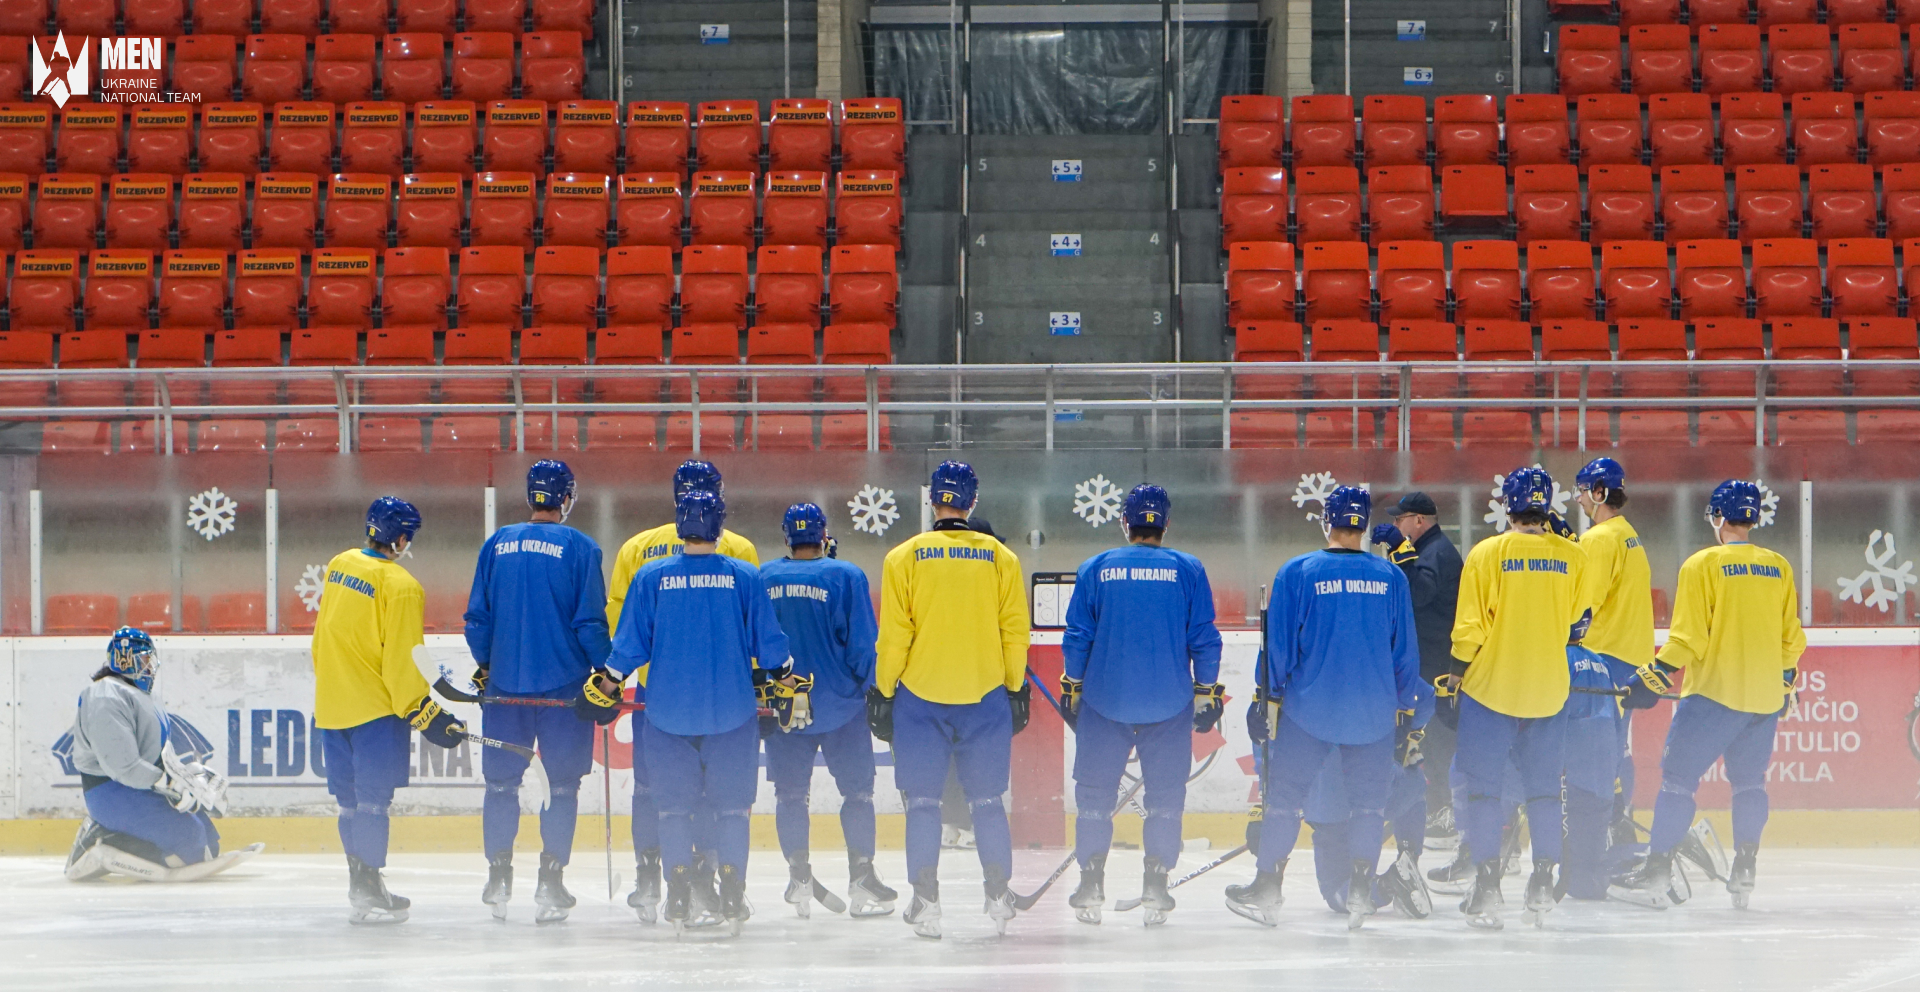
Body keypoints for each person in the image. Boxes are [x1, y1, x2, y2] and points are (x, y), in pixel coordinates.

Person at [578, 489, 805, 936]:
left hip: (667, 715)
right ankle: (732, 888)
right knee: (731, 811)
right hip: (731, 714)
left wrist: (601, 689)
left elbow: (626, 649)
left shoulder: (650, 576)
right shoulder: (743, 576)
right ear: (720, 526)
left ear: (679, 525)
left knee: (673, 811)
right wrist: (785, 685)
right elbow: (773, 651)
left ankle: (678, 890)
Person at [1226, 486, 1421, 931]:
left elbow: (1278, 648)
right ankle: (1358, 892)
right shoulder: (1391, 578)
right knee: (1369, 807)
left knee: (1284, 800)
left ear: (1325, 521)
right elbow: (1405, 653)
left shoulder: (1298, 572)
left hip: (1307, 712)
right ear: (1364, 525)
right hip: (1372, 713)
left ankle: (1268, 887)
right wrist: (1405, 708)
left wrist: (1265, 695)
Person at [1612, 480, 1805, 910]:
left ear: (1719, 517)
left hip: (1713, 698)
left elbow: (1687, 639)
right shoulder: (1778, 566)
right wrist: (1785, 683)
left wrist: (1654, 674)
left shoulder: (1702, 565)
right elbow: (1791, 641)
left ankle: (1658, 868)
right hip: (1763, 701)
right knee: (1750, 783)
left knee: (1679, 782)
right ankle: (1745, 869)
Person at [869, 461, 1031, 939]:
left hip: (921, 700)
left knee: (922, 803)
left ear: (932, 501)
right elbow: (1014, 632)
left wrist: (883, 690)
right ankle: (999, 897)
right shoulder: (1002, 558)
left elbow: (895, 636)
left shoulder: (903, 558)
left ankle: (925, 903)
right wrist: (1015, 685)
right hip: (984, 697)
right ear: (972, 502)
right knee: (986, 801)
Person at [1059, 484, 1223, 927]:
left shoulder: (1095, 568)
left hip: (1104, 699)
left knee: (1094, 796)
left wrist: (1072, 686)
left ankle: (1091, 880)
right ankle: (1156, 882)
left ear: (1124, 522)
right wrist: (1207, 691)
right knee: (1166, 797)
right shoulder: (1188, 569)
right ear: (1165, 524)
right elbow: (1204, 637)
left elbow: (1078, 637)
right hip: (1169, 703)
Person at [605, 459, 758, 925]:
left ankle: (652, 876)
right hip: (724, 694)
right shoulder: (739, 551)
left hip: (660, 692)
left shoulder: (638, 549)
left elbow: (622, 621)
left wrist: (635, 671)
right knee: (718, 794)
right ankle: (713, 877)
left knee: (655, 791)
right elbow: (752, 626)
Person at [463, 460, 610, 923]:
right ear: (565, 498)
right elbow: (589, 623)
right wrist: (607, 673)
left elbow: (478, 620)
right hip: (564, 690)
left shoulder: (497, 543)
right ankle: (550, 882)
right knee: (562, 788)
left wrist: (488, 664)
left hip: (505, 687)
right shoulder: (582, 548)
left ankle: (498, 878)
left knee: (501, 785)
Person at [312, 496, 467, 924]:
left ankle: (360, 884)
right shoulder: (401, 586)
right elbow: (401, 662)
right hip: (376, 714)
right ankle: (367, 885)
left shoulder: (340, 564)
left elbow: (322, 639)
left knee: (348, 803)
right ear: (400, 538)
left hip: (331, 705)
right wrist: (427, 714)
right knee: (373, 804)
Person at [1447, 467, 1588, 930]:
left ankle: (1488, 886)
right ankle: (1543, 882)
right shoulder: (1573, 556)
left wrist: (1455, 671)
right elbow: (1574, 619)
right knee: (1545, 791)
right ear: (1548, 506)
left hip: (1492, 690)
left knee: (1485, 792)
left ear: (1507, 505)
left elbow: (1470, 630)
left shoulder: (1487, 553)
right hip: (1548, 691)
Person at [758, 502, 898, 918]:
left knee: (790, 795)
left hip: (784, 708)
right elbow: (861, 647)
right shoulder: (846, 575)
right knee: (858, 793)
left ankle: (798, 879)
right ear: (823, 535)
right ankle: (861, 879)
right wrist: (877, 691)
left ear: (787, 536)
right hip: (841, 707)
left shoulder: (764, 576)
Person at [64, 628, 262, 883]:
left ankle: (116, 836)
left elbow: (158, 755)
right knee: (190, 846)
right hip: (112, 792)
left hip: (144, 786)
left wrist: (188, 777)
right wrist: (172, 785)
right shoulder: (105, 695)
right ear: (125, 660)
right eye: (145, 660)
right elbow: (122, 767)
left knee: (208, 844)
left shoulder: (143, 695)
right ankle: (100, 838)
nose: (150, 666)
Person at [1369, 491, 1464, 852]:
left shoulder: (1437, 551)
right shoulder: (1429, 550)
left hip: (1439, 663)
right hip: (1430, 659)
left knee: (1438, 741)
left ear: (1419, 521)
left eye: (1400, 519)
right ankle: (1440, 808)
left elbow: (1419, 592)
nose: (1396, 525)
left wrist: (1400, 550)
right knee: (1429, 741)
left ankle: (1445, 812)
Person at [1570, 457, 1655, 851]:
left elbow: (1583, 604)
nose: (1580, 500)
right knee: (1616, 747)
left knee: (1597, 752)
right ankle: (1618, 825)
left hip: (1604, 661)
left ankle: (1605, 831)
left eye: (1584, 491)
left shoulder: (1599, 539)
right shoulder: (1628, 534)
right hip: (1629, 657)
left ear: (1600, 492)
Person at [1560, 612, 1628, 900]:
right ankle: (1594, 880)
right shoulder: (1600, 662)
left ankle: (1570, 879)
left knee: (1572, 826)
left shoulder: (1558, 658)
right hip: (1602, 763)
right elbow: (1615, 719)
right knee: (1595, 826)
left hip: (1573, 758)